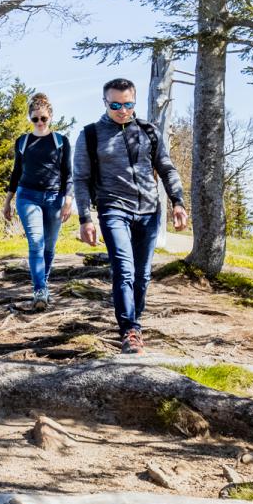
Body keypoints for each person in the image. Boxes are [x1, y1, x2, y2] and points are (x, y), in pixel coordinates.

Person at [74, 77, 187, 354]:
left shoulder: (149, 131)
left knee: (142, 275)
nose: (122, 110)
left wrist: (178, 202)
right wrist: (85, 219)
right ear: (105, 102)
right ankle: (130, 331)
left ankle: (135, 322)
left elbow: (167, 168)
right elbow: (81, 179)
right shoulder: (90, 135)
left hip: (149, 211)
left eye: (128, 104)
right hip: (113, 209)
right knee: (124, 270)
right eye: (115, 105)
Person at [1, 92, 73, 310]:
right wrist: (7, 201)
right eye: (35, 119)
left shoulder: (61, 142)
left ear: (50, 116)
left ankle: (44, 283)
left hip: (54, 198)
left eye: (43, 118)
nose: (40, 122)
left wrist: (68, 200)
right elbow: (16, 173)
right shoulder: (22, 142)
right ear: (30, 118)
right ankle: (39, 290)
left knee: (49, 247)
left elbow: (68, 173)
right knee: (36, 243)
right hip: (27, 196)